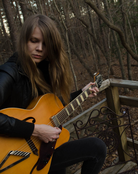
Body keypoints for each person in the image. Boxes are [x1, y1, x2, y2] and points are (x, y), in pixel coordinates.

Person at [0, 14, 106, 174]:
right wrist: (35, 130)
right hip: (13, 156)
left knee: (97, 148)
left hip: (41, 152)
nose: (40, 48)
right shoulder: (9, 72)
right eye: (34, 41)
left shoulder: (45, 69)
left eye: (45, 43)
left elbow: (51, 108)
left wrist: (81, 93)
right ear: (24, 41)